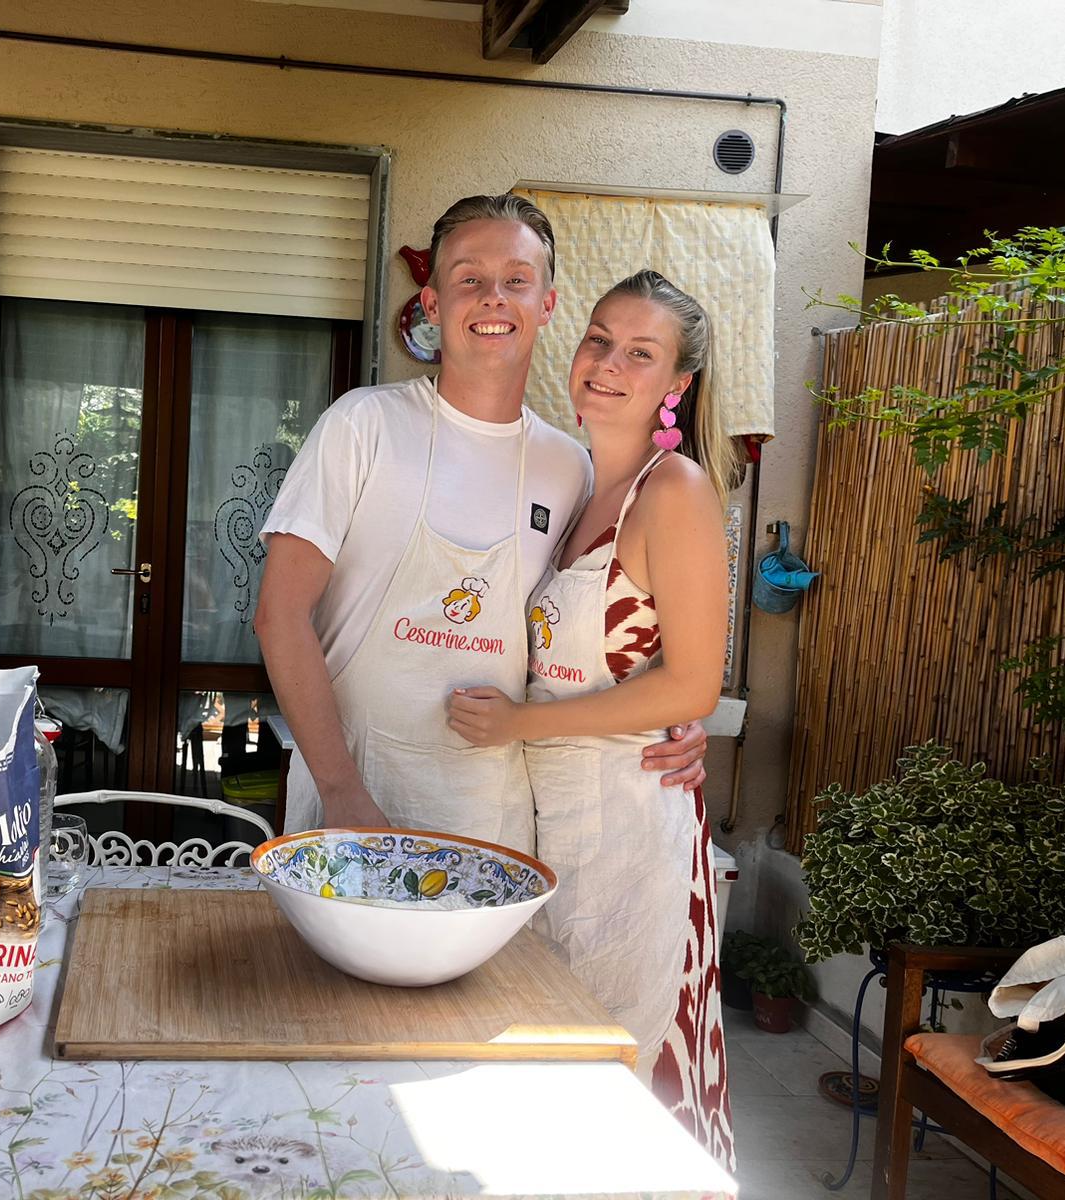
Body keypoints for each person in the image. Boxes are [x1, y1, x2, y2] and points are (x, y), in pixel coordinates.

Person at [255, 194, 708, 844]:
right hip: (350, 798)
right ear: (433, 304)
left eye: (517, 281)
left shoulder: (569, 467)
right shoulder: (364, 426)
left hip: (491, 813)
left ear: (546, 305)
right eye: (469, 278)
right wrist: (342, 790)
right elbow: (279, 615)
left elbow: (583, 628)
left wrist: (670, 716)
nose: (493, 296)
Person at [447, 269, 735, 1168]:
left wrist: (518, 727)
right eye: (600, 340)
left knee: (616, 1084)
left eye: (640, 353)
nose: (608, 365)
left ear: (675, 384)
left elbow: (693, 687)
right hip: (554, 827)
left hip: (631, 840)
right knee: (549, 1076)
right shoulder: (576, 490)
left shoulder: (674, 489)